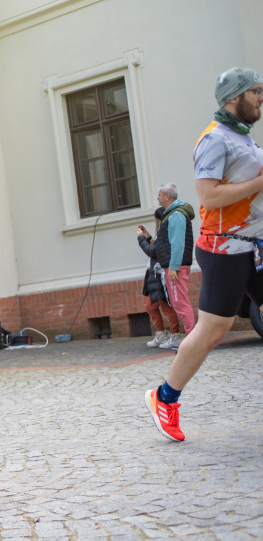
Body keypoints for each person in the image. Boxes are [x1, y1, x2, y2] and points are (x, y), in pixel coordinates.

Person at [145, 68, 263, 442]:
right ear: (235, 97)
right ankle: (164, 398)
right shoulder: (214, 140)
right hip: (223, 248)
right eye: (257, 92)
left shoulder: (245, 140)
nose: (262, 98)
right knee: (214, 329)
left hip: (256, 246)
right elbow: (209, 197)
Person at [153, 183, 197, 348]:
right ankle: (191, 339)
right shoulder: (170, 214)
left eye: (159, 194)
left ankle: (192, 341)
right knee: (178, 302)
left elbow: (177, 243)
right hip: (172, 265)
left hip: (175, 267)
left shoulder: (176, 215)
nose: (157, 197)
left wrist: (173, 267)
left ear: (167, 196)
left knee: (180, 303)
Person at [137, 210, 180, 348]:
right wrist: (148, 237)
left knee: (165, 306)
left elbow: (152, 251)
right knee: (151, 307)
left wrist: (141, 239)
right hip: (153, 274)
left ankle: (175, 335)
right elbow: (154, 248)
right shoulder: (160, 232)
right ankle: (162, 333)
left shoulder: (164, 231)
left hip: (160, 273)